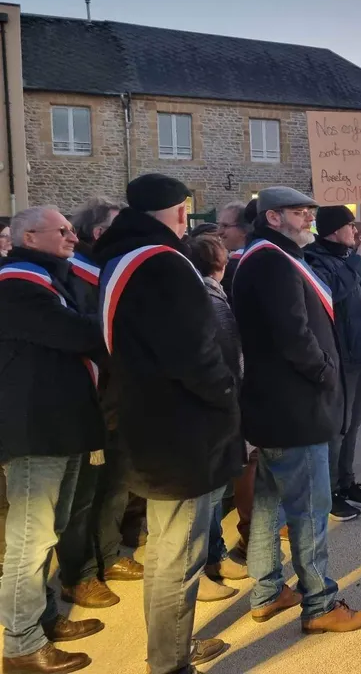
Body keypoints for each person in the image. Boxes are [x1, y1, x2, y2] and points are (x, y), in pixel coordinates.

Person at [96, 174, 237, 673]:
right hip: (179, 431)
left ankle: (169, 646)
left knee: (163, 549)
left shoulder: (118, 258)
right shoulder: (164, 263)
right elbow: (195, 354)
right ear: (180, 212)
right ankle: (170, 662)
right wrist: (226, 396)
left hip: (143, 421)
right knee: (179, 554)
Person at [233, 186, 361, 635]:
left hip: (276, 403)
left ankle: (267, 591)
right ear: (273, 218)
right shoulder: (272, 261)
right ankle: (320, 603)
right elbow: (293, 334)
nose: (309, 220)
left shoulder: (261, 257)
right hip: (296, 405)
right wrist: (325, 373)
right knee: (311, 509)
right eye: (299, 212)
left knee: (268, 505)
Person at [0, 206, 107, 674]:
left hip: (57, 426)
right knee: (30, 538)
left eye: (71, 228)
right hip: (34, 430)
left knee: (49, 531)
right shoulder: (17, 284)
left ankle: (41, 619)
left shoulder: (46, 277)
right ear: (28, 235)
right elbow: (76, 333)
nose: (71, 235)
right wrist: (97, 328)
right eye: (60, 230)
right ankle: (21, 643)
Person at [55, 196, 141, 613]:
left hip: (119, 393)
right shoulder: (74, 275)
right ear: (100, 232)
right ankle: (79, 574)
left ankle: (111, 554)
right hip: (88, 396)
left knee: (116, 481)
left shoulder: (109, 269)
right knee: (84, 493)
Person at [304, 206, 361, 520]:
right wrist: (358, 260)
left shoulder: (350, 259)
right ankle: (329, 491)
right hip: (341, 353)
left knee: (353, 425)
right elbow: (332, 292)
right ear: (334, 230)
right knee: (337, 428)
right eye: (349, 226)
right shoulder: (315, 260)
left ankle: (347, 481)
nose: (355, 231)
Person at [181, 233, 250, 602]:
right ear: (220, 264)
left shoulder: (207, 293)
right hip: (218, 406)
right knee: (206, 494)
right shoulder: (210, 298)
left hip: (219, 404)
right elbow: (227, 353)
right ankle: (202, 566)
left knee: (215, 489)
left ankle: (215, 554)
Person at [216, 201, 251, 296]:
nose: (219, 232)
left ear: (244, 230)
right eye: (219, 225)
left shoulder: (240, 264)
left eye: (225, 226)